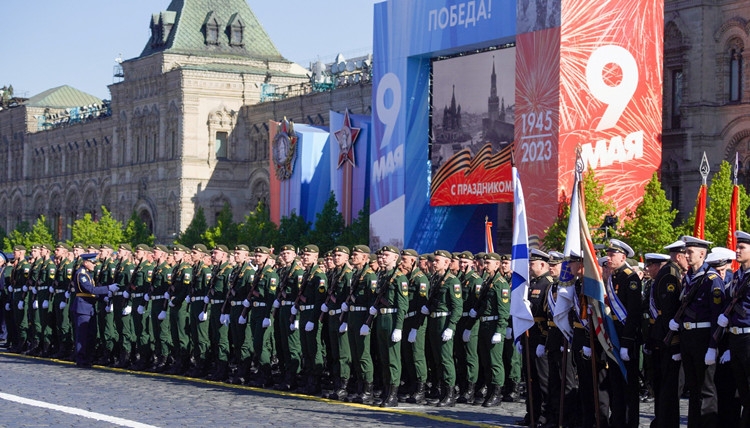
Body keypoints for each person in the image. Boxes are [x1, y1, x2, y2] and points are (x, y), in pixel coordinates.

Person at [668, 235, 724, 428]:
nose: (687, 255)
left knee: (706, 390)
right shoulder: (690, 278)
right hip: (688, 337)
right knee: (693, 389)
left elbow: (717, 316)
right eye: (686, 251)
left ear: (702, 254)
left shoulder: (711, 279)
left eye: (690, 252)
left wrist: (712, 346)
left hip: (703, 337)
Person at [604, 239, 643, 428]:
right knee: (615, 384)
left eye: (612, 255)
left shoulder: (630, 278)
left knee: (628, 385)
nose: (609, 258)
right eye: (608, 254)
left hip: (626, 338)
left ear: (623, 257)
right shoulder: (613, 277)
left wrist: (627, 343)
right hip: (614, 336)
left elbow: (634, 314)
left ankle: (629, 423)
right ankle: (617, 420)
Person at [423, 249, 462, 407]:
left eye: (437, 260)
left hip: (444, 321)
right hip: (433, 321)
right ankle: (441, 391)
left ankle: (450, 394)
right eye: (433, 261)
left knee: (446, 359)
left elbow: (457, 307)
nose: (434, 263)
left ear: (447, 263)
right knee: (437, 359)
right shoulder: (434, 279)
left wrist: (451, 326)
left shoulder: (452, 281)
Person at [71, 256, 120, 367]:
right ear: (86, 262)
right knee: (82, 336)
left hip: (89, 308)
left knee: (91, 335)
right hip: (82, 308)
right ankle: (81, 359)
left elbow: (92, 293)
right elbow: (90, 290)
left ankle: (88, 358)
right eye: (93, 262)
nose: (95, 264)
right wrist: (108, 288)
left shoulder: (88, 274)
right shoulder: (81, 274)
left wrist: (103, 298)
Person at [723, 230, 750, 427]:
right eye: (737, 246)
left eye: (742, 247)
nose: (737, 250)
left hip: (749, 338)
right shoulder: (738, 275)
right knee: (742, 391)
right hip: (735, 338)